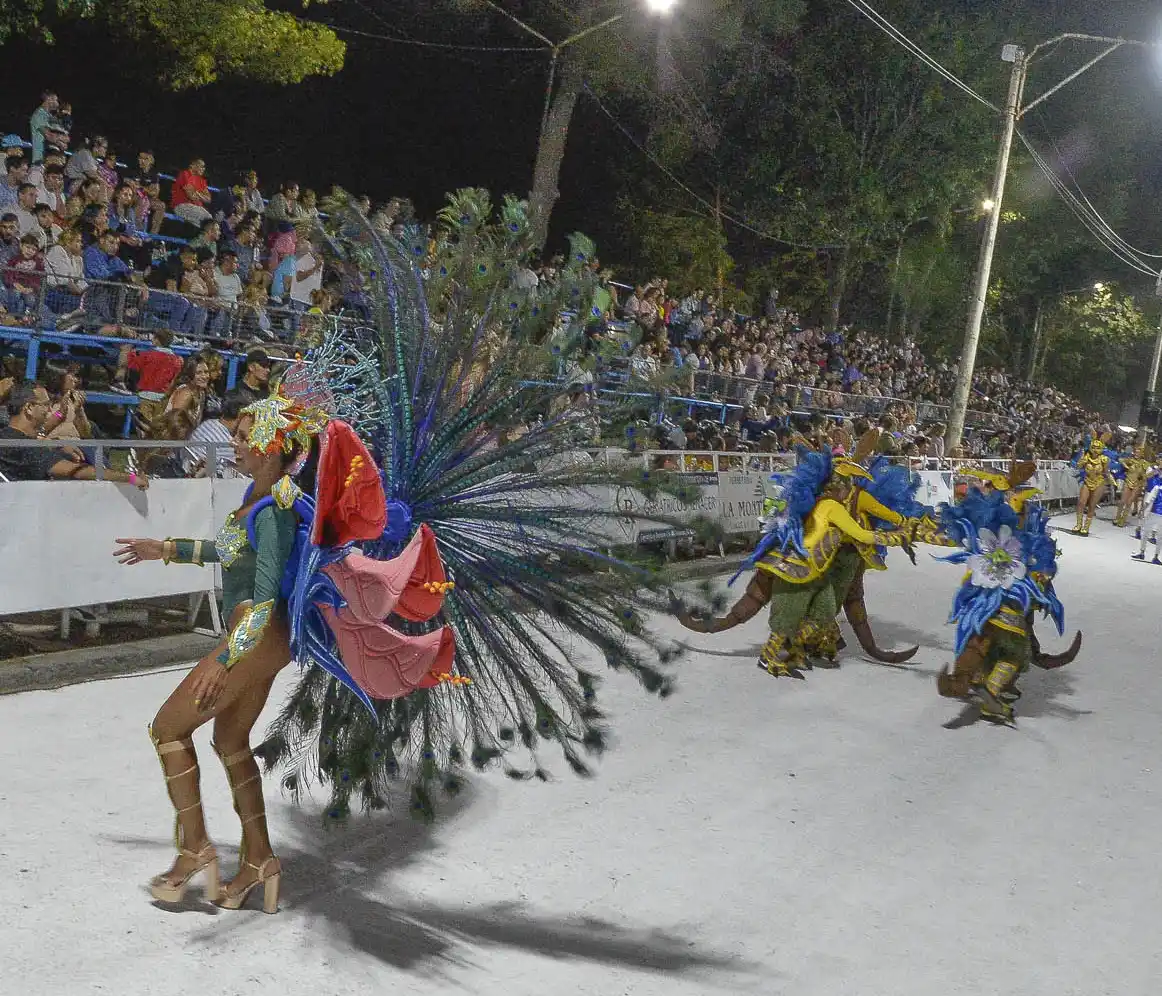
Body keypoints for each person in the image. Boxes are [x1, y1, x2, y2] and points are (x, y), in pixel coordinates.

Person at [0, 381, 147, 486]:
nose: (50, 410)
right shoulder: (25, 447)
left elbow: (43, 431)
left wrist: (57, 439)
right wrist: (131, 479)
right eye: (46, 405)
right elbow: (76, 472)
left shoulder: (7, 435)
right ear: (29, 408)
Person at [1071, 435, 1116, 536]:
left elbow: (1106, 472)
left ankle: (1086, 527)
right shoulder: (1086, 457)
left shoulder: (1104, 459)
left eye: (1098, 448)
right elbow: (1077, 466)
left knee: (1091, 505)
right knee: (1081, 502)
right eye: (1094, 447)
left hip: (1099, 483)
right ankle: (1078, 525)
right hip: (1087, 481)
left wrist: (1112, 482)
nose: (1095, 450)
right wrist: (1082, 459)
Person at [1132, 469, 1162, 564]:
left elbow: (1148, 501)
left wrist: (1142, 511)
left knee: (1145, 532)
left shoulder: (1157, 487)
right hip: (1157, 514)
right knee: (1160, 537)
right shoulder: (1157, 487)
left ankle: (1142, 552)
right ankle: (1156, 557)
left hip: (1154, 513)